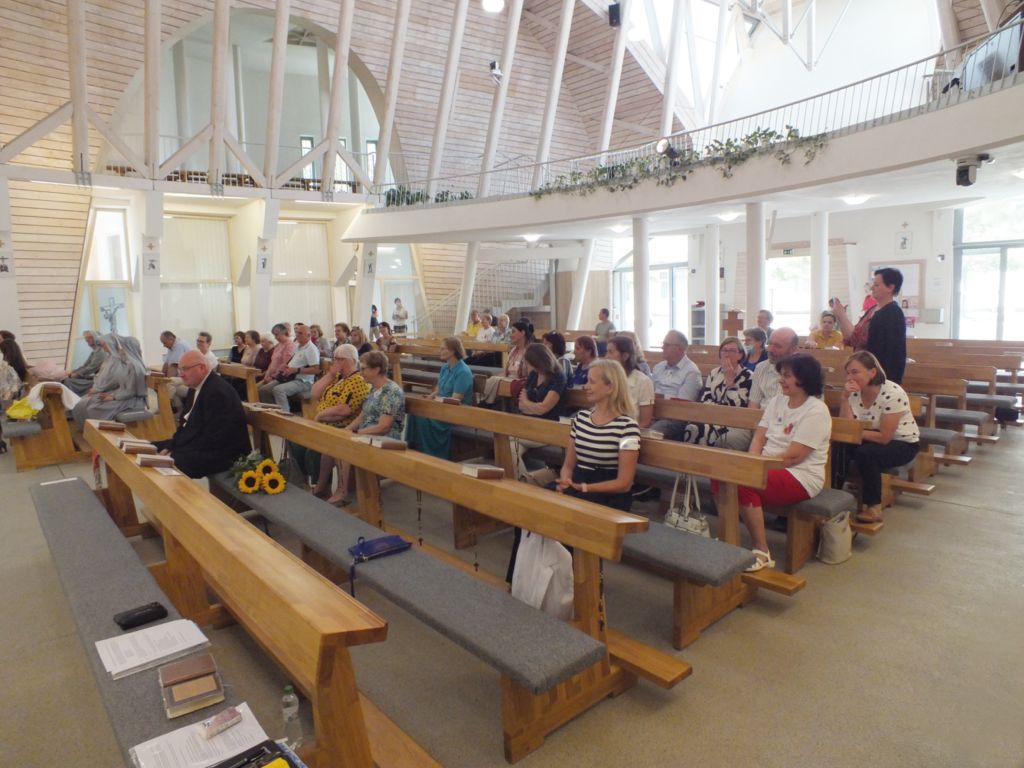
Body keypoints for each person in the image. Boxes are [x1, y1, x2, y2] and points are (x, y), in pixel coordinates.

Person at [737, 353, 831, 571]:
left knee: (744, 483)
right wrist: (753, 461)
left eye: (787, 376)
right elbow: (759, 437)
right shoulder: (777, 401)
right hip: (769, 466)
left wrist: (757, 467)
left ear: (803, 378)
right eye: (781, 375)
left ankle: (762, 551)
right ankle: (729, 537)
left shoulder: (816, 410)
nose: (781, 380)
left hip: (801, 475)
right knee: (720, 476)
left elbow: (794, 456)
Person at [838, 351, 920, 524]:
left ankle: (873, 506)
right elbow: (848, 427)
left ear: (872, 372)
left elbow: (884, 437)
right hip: (868, 436)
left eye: (855, 372)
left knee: (866, 453)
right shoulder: (853, 392)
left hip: (902, 443)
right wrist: (844, 399)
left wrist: (854, 433)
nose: (850, 378)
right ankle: (834, 495)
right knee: (838, 446)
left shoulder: (892, 393)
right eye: (848, 373)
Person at [557, 359, 641, 511]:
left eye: (592, 382)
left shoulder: (627, 427)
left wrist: (585, 488)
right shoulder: (581, 418)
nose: (586, 386)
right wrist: (565, 480)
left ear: (610, 387)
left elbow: (624, 483)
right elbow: (568, 465)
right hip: (578, 483)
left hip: (608, 494)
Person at [153, 350, 251, 479]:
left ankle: (173, 492)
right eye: (180, 369)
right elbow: (185, 426)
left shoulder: (217, 393)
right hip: (204, 444)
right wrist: (171, 445)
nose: (181, 374)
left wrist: (176, 451)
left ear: (202, 368)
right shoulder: (195, 387)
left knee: (172, 462)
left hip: (225, 454)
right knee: (152, 447)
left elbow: (213, 439)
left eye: (185, 369)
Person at [297, 344, 371, 507]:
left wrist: (320, 415)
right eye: (334, 359)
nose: (334, 362)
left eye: (338, 359)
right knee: (296, 441)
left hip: (343, 427)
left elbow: (344, 410)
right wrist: (330, 374)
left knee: (315, 450)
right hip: (325, 425)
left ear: (349, 361)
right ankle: (315, 484)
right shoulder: (337, 378)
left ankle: (326, 487)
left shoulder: (357, 380)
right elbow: (314, 393)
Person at [832, 268, 907, 384]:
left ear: (890, 288)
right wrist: (841, 317)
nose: (872, 288)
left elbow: (891, 353)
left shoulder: (892, 313)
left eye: (876, 285)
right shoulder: (872, 309)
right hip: (864, 370)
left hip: (877, 374)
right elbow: (852, 338)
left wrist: (842, 316)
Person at [406, 337, 475, 459]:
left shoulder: (463, 372)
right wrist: (430, 397)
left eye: (443, 349)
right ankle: (414, 449)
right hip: (441, 406)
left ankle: (430, 454)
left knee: (423, 418)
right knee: (414, 412)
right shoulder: (445, 367)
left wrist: (435, 404)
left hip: (456, 411)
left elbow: (454, 400)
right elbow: (439, 389)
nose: (440, 351)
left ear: (453, 351)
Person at [681, 336, 753, 450]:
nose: (727, 354)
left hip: (734, 421)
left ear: (740, 355)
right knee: (693, 428)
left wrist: (730, 381)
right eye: (724, 350)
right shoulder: (714, 373)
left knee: (711, 433)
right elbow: (705, 399)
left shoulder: (748, 376)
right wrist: (715, 413)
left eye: (732, 351)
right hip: (712, 417)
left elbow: (740, 406)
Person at [71, 334, 149, 428]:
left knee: (94, 408)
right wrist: (111, 395)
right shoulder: (128, 364)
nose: (120, 349)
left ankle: (101, 432)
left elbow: (131, 391)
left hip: (133, 401)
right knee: (93, 401)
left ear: (129, 348)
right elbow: (122, 387)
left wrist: (113, 397)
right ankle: (89, 430)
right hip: (123, 397)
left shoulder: (134, 366)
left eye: (123, 347)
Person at [649, 330, 702, 440]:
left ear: (680, 349)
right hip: (652, 412)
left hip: (674, 419)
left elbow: (682, 406)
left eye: (667, 345)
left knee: (651, 433)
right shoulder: (658, 367)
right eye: (663, 344)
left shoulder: (691, 372)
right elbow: (649, 392)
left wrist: (660, 399)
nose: (662, 347)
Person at [346, 351, 405, 440]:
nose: (360, 373)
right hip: (365, 435)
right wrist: (345, 431)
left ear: (376, 370)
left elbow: (383, 427)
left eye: (363, 369)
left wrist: (356, 433)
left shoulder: (391, 391)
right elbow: (361, 417)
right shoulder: (374, 389)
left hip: (384, 439)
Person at [268, 322, 321, 413]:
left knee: (278, 390)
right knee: (265, 390)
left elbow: (316, 370)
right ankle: (271, 414)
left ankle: (284, 417)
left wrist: (297, 370)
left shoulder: (311, 349)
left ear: (308, 335)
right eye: (297, 333)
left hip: (304, 381)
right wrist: (285, 366)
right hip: (290, 378)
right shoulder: (298, 346)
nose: (297, 335)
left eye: (300, 333)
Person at [606, 335, 654, 429]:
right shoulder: (606, 378)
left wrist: (628, 434)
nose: (606, 357)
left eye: (610, 352)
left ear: (625, 356)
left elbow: (645, 422)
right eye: (606, 352)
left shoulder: (643, 382)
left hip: (629, 432)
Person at [749, 328, 800, 408]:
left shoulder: (805, 373)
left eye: (778, 346)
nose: (770, 350)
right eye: (769, 344)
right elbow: (753, 406)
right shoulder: (761, 368)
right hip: (762, 415)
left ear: (793, 350)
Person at [256, 323, 296, 402]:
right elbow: (272, 362)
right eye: (274, 335)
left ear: (283, 333)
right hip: (272, 375)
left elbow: (285, 365)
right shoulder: (278, 345)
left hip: (281, 377)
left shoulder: (290, 345)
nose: (275, 337)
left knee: (263, 390)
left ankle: (271, 408)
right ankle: (259, 408)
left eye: (277, 334)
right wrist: (267, 375)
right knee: (254, 388)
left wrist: (272, 377)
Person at [63, 330, 108, 395]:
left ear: (95, 338)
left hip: (101, 381)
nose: (87, 340)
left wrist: (76, 374)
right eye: (86, 338)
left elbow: (91, 368)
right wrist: (73, 372)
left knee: (69, 381)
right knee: (68, 379)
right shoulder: (95, 352)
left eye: (89, 337)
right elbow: (85, 366)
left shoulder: (100, 352)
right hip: (96, 377)